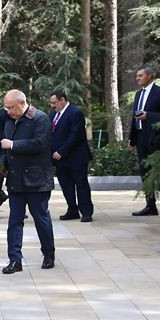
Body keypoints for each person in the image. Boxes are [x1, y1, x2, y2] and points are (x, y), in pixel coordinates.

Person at [0, 89, 56, 274]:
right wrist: (1, 164)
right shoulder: (9, 121)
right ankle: (15, 259)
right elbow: (6, 150)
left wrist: (13, 145)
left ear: (22, 104)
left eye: (10, 107)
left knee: (41, 217)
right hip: (15, 179)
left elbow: (40, 144)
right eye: (6, 107)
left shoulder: (40, 119)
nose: (8, 111)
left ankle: (48, 253)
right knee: (14, 221)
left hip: (36, 180)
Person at [129, 65, 160, 218]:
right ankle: (150, 206)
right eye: (137, 76)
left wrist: (149, 115)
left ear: (149, 76)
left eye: (140, 75)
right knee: (145, 173)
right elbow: (134, 117)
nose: (137, 78)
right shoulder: (138, 94)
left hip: (156, 138)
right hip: (141, 137)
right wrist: (132, 139)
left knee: (159, 173)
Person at [48, 89, 94, 222]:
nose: (52, 106)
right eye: (51, 103)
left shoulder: (75, 113)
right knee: (66, 185)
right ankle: (72, 209)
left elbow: (75, 136)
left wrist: (61, 151)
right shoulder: (52, 115)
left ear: (62, 100)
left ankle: (86, 212)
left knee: (81, 184)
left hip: (76, 157)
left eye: (54, 102)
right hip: (59, 159)